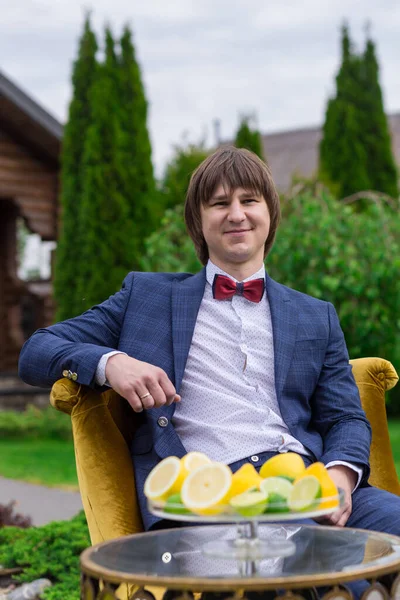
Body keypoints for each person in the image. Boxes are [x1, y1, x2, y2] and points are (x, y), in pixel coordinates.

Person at [19, 147, 400, 537]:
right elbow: (37, 349)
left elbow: (345, 417)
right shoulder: (146, 297)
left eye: (249, 200)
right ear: (198, 222)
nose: (236, 214)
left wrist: (339, 476)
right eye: (219, 203)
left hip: (311, 482)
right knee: (318, 563)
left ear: (269, 214)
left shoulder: (315, 315)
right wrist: (112, 362)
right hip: (216, 491)